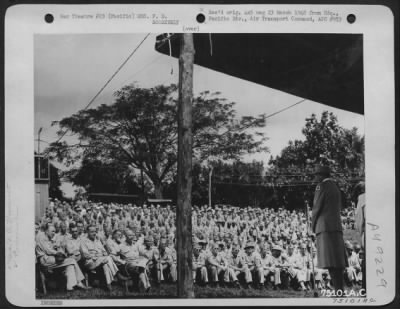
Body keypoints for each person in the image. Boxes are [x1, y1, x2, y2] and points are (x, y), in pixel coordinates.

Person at [312, 165, 348, 293]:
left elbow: (316, 208)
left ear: (322, 175)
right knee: (337, 262)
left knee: (330, 262)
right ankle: (340, 289)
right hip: (336, 227)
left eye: (316, 175)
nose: (315, 177)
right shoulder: (336, 187)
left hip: (324, 227)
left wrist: (312, 227)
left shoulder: (321, 186)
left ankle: (339, 291)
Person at [36, 223, 87, 291]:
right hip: (45, 260)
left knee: (70, 265)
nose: (54, 233)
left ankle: (70, 286)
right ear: (46, 231)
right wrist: (59, 252)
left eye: (54, 231)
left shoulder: (48, 238)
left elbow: (53, 248)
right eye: (52, 231)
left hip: (50, 259)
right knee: (72, 260)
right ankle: (79, 282)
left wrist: (57, 248)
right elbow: (48, 251)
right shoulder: (41, 237)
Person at [80, 225, 119, 291]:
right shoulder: (83, 241)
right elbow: (86, 255)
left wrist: (102, 256)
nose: (94, 233)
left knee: (106, 263)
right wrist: (98, 257)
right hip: (90, 262)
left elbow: (104, 252)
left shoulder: (97, 241)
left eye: (95, 231)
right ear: (87, 232)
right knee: (108, 259)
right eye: (92, 232)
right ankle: (115, 274)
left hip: (100, 260)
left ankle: (108, 284)